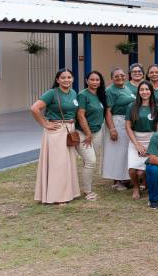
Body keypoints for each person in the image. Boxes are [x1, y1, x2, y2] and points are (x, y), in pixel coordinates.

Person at [30, 68, 81, 204]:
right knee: (58, 165)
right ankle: (58, 197)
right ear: (57, 80)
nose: (66, 80)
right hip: (56, 132)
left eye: (69, 77)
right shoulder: (52, 93)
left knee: (67, 164)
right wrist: (45, 123)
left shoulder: (73, 93)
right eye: (63, 78)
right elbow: (34, 108)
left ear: (73, 79)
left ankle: (69, 193)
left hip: (69, 130)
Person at [125, 81, 158, 200]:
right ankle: (136, 187)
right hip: (136, 140)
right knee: (132, 169)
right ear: (138, 92)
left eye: (147, 89)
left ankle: (146, 182)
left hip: (152, 140)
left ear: (151, 91)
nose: (144, 92)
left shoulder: (157, 107)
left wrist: (152, 146)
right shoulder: (132, 106)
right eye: (142, 90)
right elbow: (128, 127)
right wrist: (137, 145)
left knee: (148, 167)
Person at [75, 70, 106, 201]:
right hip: (83, 133)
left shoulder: (100, 95)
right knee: (90, 160)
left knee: (89, 161)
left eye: (97, 80)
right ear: (86, 81)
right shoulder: (83, 95)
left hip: (97, 132)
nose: (94, 82)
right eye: (91, 80)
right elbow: (80, 115)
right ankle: (88, 191)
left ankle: (86, 185)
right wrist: (87, 133)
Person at [103, 67, 136, 190]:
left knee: (125, 152)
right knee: (117, 153)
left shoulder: (126, 88)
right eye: (116, 76)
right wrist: (112, 128)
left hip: (127, 122)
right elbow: (108, 111)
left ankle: (125, 178)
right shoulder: (110, 91)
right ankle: (118, 180)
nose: (120, 77)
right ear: (112, 78)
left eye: (122, 75)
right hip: (117, 122)